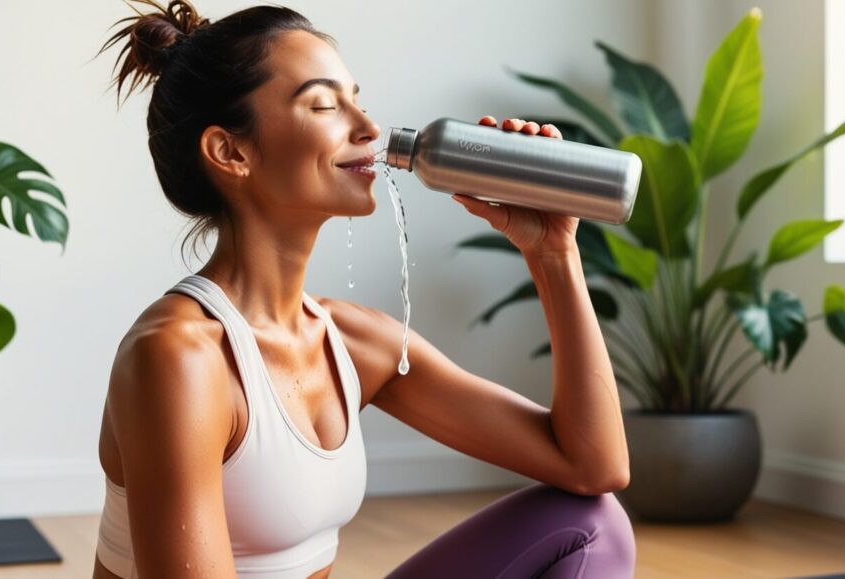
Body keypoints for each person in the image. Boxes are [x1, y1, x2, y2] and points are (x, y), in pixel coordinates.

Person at [92, 1, 635, 577]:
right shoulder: (178, 357)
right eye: (325, 104)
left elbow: (592, 465)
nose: (369, 128)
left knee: (593, 525)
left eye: (359, 99)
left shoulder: (354, 341)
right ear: (231, 152)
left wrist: (553, 253)